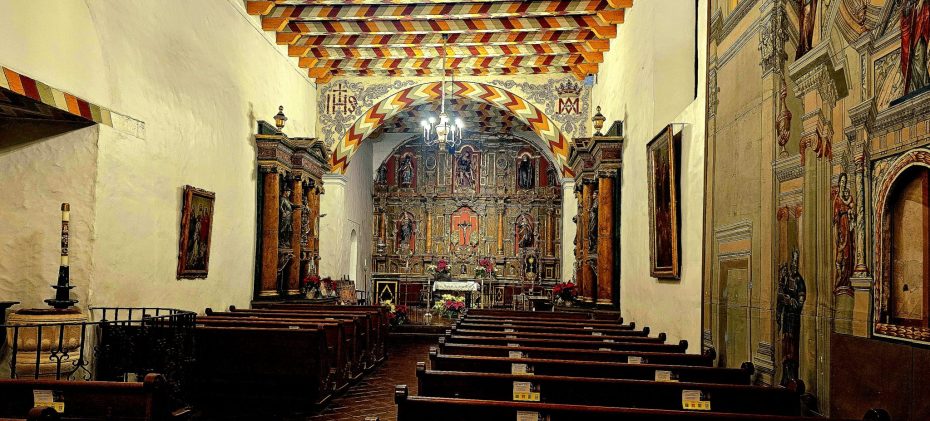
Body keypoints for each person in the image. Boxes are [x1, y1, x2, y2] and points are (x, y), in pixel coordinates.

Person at [776, 249, 806, 386]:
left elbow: (800, 302)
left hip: (794, 319)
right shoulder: (786, 279)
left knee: (792, 348)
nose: (793, 266)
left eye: (795, 263)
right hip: (786, 318)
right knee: (785, 346)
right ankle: (785, 375)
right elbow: (779, 299)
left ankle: (791, 376)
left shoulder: (799, 280)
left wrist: (791, 301)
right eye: (792, 263)